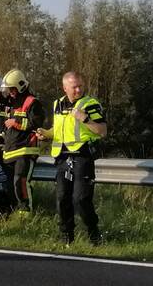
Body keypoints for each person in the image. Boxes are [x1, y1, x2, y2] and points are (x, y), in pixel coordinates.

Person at [36, 71, 108, 244]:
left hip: (82, 156)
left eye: (80, 86)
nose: (78, 89)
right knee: (62, 198)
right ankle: (66, 237)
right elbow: (59, 129)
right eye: (74, 87)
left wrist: (85, 119)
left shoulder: (91, 104)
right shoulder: (57, 104)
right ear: (65, 88)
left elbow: (102, 131)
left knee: (81, 199)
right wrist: (46, 134)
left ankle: (93, 233)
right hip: (62, 157)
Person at [0, 69, 46, 213]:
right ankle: (14, 212)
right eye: (9, 89)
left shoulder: (33, 102)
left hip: (26, 150)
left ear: (20, 86)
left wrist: (16, 122)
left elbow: (36, 124)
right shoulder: (11, 104)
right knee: (9, 186)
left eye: (12, 89)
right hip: (9, 151)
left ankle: (26, 213)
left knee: (20, 182)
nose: (10, 92)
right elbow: (8, 128)